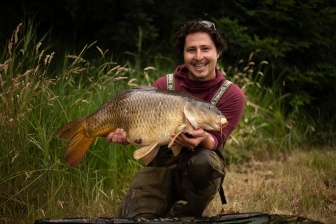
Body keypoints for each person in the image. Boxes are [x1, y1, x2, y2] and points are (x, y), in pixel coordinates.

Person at [106, 18, 245, 219]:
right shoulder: (163, 85)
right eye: (191, 50)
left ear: (218, 52)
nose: (199, 57)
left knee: (202, 161)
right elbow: (144, 137)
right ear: (183, 54)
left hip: (198, 169)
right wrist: (127, 137)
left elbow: (216, 139)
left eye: (205, 49)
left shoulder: (232, 95)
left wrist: (203, 139)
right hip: (161, 166)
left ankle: (187, 213)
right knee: (130, 218)